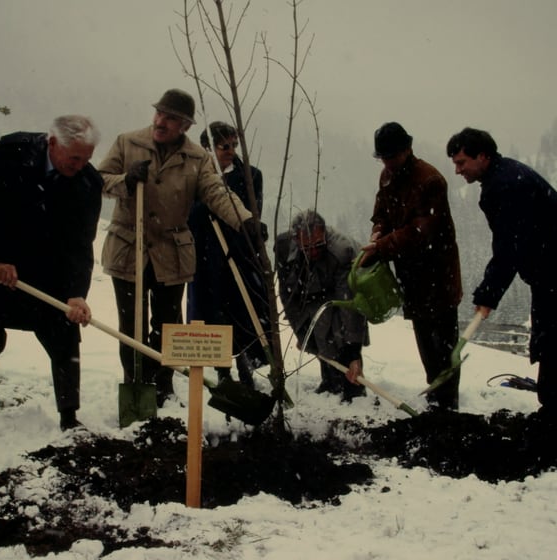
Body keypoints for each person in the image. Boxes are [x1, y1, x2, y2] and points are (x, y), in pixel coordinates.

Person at [446, 127, 557, 429]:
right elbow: (513, 244)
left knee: (556, 340)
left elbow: (510, 246)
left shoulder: (506, 185)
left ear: (483, 156)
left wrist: (489, 293)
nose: (458, 170)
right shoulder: (503, 176)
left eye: (462, 162)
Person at [98, 89, 260, 407]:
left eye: (170, 118)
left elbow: (215, 191)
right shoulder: (127, 142)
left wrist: (244, 220)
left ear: (184, 125)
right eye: (159, 113)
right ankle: (136, 386)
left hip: (171, 253)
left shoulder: (197, 158)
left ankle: (162, 386)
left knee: (167, 324)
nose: (161, 121)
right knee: (130, 324)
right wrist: (126, 181)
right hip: (128, 247)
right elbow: (100, 180)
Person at [0, 116, 102, 430]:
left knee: (64, 333)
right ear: (52, 143)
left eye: (86, 158)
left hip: (47, 269)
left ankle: (69, 414)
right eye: (74, 157)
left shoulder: (88, 182)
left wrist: (77, 292)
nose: (79, 165)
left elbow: (81, 243)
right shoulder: (12, 151)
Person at [361, 122, 463, 410]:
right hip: (412, 279)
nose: (387, 162)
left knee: (443, 346)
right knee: (425, 344)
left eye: (391, 156)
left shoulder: (430, 181)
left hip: (438, 277)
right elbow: (381, 213)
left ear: (407, 150)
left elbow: (421, 232)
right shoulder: (387, 176)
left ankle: (447, 403)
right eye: (383, 158)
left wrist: (382, 247)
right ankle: (436, 395)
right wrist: (378, 232)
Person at [187, 121, 268, 388]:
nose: (231, 151)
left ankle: (247, 367)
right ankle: (222, 371)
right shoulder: (194, 175)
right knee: (211, 315)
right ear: (208, 148)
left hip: (237, 255)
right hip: (204, 256)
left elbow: (248, 213)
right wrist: (205, 208)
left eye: (234, 145)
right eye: (224, 146)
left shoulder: (249, 175)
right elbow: (189, 214)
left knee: (241, 313)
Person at [275, 210, 368, 403]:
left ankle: (354, 388)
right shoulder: (284, 247)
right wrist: (301, 333)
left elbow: (349, 306)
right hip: (310, 295)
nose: (313, 252)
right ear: (296, 240)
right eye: (306, 248)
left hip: (341, 294)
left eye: (318, 245)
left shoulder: (341, 251)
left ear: (324, 234)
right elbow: (288, 296)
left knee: (339, 335)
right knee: (316, 338)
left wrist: (353, 354)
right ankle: (330, 382)